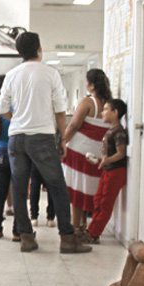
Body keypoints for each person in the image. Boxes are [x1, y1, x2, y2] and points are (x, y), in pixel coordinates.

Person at [0, 31, 90, 254]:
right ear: (39, 49)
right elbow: (60, 110)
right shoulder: (50, 73)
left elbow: (2, 109)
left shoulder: (11, 75)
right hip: (42, 137)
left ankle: (26, 238)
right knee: (57, 186)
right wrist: (62, 139)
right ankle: (67, 238)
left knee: (19, 188)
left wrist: (17, 119)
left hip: (16, 138)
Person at [62, 69, 112, 235]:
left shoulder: (88, 102)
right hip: (97, 153)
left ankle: (75, 227)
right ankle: (83, 224)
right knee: (88, 190)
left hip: (79, 151)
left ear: (91, 85)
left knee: (77, 191)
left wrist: (62, 142)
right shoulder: (109, 104)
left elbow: (74, 125)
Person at [84, 99, 129, 244]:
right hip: (107, 170)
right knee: (98, 200)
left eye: (106, 109)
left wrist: (106, 160)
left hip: (116, 172)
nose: (102, 113)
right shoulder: (111, 130)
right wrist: (100, 160)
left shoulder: (119, 132)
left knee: (105, 204)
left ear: (115, 113)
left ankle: (94, 234)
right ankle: (91, 229)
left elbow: (121, 153)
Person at [0, 74, 18, 240]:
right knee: (18, 191)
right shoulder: (19, 105)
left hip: (0, 152)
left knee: (0, 191)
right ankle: (17, 231)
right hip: (17, 152)